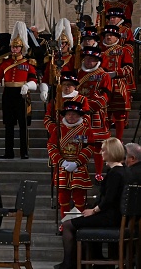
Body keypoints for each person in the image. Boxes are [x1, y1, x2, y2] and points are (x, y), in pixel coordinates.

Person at [56, 137, 126, 269]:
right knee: (78, 217)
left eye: (104, 150)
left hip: (110, 217)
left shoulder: (115, 174)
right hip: (113, 215)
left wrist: (93, 211)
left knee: (67, 225)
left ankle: (69, 264)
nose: (101, 153)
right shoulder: (122, 171)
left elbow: (108, 200)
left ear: (111, 152)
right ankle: (96, 259)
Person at [0, 21, 37, 159]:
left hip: (21, 94)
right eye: (13, 47)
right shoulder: (5, 63)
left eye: (17, 47)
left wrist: (27, 86)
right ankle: (8, 152)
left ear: (22, 48)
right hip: (8, 94)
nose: (14, 49)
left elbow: (34, 80)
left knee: (23, 125)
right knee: (8, 125)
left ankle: (24, 152)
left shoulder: (28, 63)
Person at [47, 101, 94, 223]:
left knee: (79, 197)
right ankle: (64, 222)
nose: (71, 117)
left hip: (78, 167)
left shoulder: (85, 130)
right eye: (69, 114)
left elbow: (89, 148)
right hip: (63, 166)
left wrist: (77, 162)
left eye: (74, 114)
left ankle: (77, 222)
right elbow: (51, 146)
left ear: (79, 116)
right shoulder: (58, 130)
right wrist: (61, 161)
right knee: (63, 197)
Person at [76, 46, 112, 183]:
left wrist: (88, 107)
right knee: (80, 143)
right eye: (87, 58)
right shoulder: (78, 73)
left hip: (97, 115)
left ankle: (98, 172)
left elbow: (104, 97)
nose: (89, 62)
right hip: (79, 114)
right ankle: (80, 170)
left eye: (92, 59)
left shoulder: (104, 75)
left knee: (98, 145)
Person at [100, 25, 133, 141]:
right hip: (103, 85)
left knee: (119, 115)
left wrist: (116, 73)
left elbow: (129, 68)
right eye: (107, 35)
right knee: (104, 114)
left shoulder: (123, 50)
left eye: (111, 35)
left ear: (116, 37)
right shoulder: (99, 51)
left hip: (118, 85)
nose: (108, 37)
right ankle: (106, 139)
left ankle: (119, 140)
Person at [40, 19, 75, 104]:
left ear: (68, 44)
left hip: (69, 90)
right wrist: (44, 90)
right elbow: (46, 77)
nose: (61, 46)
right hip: (54, 90)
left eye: (63, 43)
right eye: (59, 43)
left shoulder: (73, 59)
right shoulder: (53, 58)